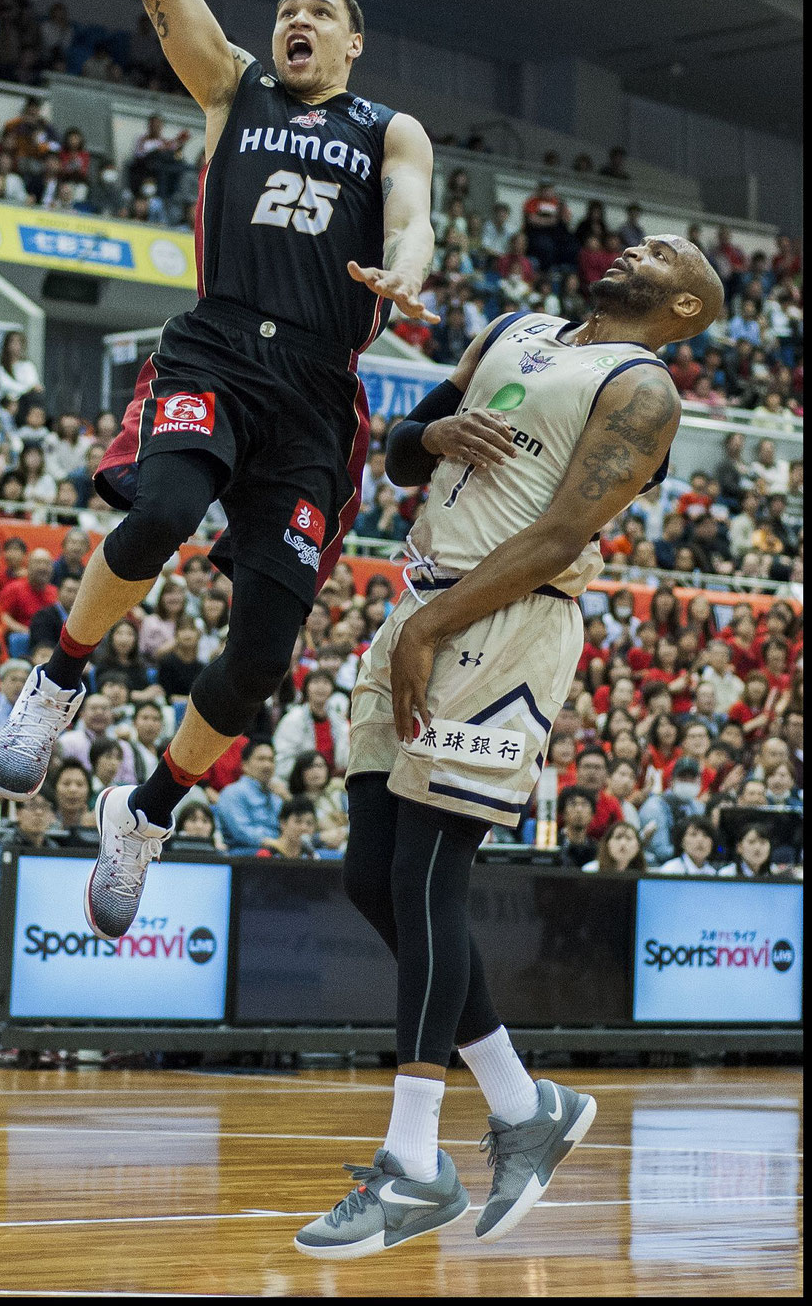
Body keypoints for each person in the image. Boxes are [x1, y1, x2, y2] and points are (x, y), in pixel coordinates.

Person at [0, 0, 439, 942]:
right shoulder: (233, 88)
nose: (296, 19)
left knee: (258, 657)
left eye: (319, 11)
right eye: (286, 7)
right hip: (219, 346)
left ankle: (150, 804)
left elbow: (414, 219)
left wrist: (402, 272)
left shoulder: (390, 127)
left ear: (351, 44)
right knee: (160, 510)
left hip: (318, 391)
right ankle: (58, 672)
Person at [293, 234, 728, 1257]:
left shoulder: (640, 389)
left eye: (669, 253)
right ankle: (521, 1103)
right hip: (418, 603)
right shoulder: (512, 328)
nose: (641, 245)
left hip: (506, 622)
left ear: (686, 311)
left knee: (425, 871)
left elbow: (558, 536)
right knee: (369, 874)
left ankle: (411, 1164)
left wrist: (433, 630)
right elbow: (402, 446)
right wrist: (433, 438)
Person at [212, 738, 283, 853]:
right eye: (261, 759)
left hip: (277, 850)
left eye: (271, 760)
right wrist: (276, 842)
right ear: (244, 765)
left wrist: (288, 798)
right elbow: (241, 832)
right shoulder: (233, 793)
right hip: (243, 853)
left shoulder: (277, 796)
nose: (267, 765)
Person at [256, 794, 320, 860]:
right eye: (298, 821)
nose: (304, 828)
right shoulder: (266, 854)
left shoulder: (311, 856)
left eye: (309, 823)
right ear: (283, 823)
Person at [580, 820, 646, 874]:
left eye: (628, 838)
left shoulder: (647, 875)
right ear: (607, 844)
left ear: (638, 846)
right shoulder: (590, 871)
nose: (623, 843)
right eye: (618, 837)